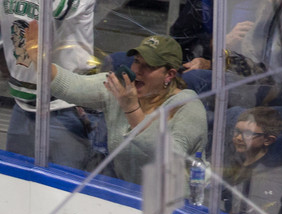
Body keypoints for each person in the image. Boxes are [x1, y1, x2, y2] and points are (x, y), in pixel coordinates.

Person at [0, 0, 103, 172]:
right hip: (23, 106)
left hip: (68, 107)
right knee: (14, 180)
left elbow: (59, 8)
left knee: (66, 188)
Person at [45, 34, 208, 186]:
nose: (137, 70)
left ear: (169, 75)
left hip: (180, 204)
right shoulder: (122, 88)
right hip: (130, 193)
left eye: (148, 66)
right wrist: (38, 57)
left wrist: (131, 108)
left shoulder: (188, 106)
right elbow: (72, 86)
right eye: (137, 61)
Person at [221, 107, 282, 214]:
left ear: (268, 140)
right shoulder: (233, 161)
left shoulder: (278, 175)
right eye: (237, 131)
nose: (238, 138)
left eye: (248, 134)